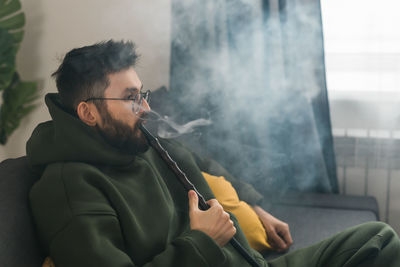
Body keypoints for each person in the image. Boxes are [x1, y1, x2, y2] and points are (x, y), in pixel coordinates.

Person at [28, 40, 400, 267]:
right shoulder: (68, 188)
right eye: (129, 98)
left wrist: (253, 206)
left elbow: (203, 163)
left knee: (378, 238)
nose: (144, 107)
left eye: (142, 94)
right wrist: (201, 241)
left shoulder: (140, 142)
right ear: (88, 112)